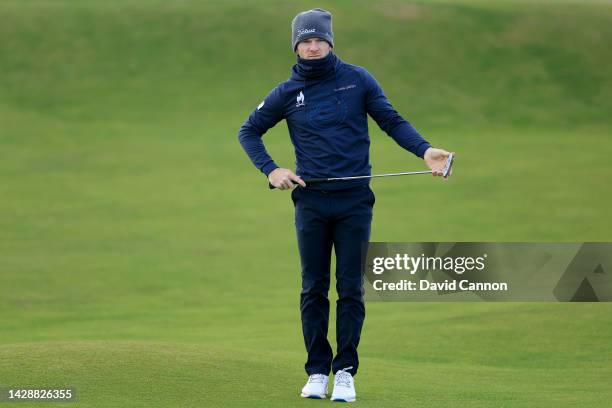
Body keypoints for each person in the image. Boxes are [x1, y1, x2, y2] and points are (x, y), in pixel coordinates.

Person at [238, 8, 453, 402]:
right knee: (313, 287)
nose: (313, 46)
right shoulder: (287, 93)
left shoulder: (357, 80)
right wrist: (271, 170)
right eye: (305, 40)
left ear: (330, 41)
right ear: (296, 46)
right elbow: (249, 130)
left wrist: (424, 151)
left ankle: (346, 372)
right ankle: (317, 370)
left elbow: (391, 120)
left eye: (319, 39)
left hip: (355, 202)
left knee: (351, 288)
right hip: (311, 203)